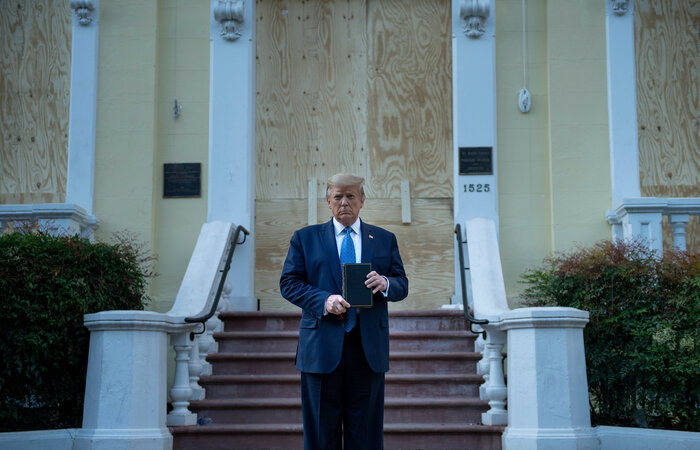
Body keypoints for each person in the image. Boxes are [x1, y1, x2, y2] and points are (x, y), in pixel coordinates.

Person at [280, 173, 409, 450]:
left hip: (367, 350)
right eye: (338, 196)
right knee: (320, 435)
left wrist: (386, 283)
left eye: (351, 196)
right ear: (328, 201)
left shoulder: (384, 239)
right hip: (321, 349)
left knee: (365, 436)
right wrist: (324, 300)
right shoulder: (305, 238)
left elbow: (402, 284)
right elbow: (289, 284)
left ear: (362, 200)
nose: (344, 202)